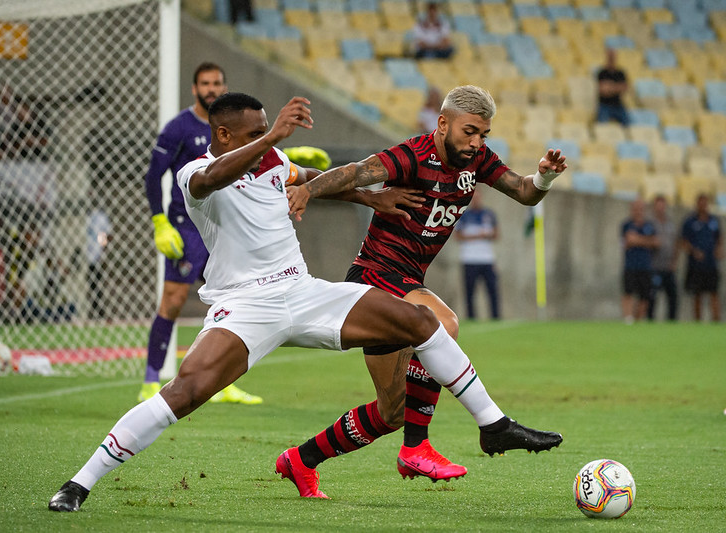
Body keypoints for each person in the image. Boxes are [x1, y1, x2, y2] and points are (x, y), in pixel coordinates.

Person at [48, 92, 562, 512]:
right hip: (246, 307)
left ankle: (493, 425)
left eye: (266, 129)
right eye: (254, 132)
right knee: (183, 392)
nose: (266, 140)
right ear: (224, 135)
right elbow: (215, 179)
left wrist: (368, 198)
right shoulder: (195, 173)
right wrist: (274, 138)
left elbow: (306, 178)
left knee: (422, 322)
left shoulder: (272, 160)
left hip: (304, 290)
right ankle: (79, 482)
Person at [282, 85, 566, 497]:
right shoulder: (413, 155)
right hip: (373, 277)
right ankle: (421, 446)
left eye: (483, 134)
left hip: (406, 283)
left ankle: (301, 460)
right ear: (443, 123)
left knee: (390, 412)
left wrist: (545, 176)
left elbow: (524, 192)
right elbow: (358, 171)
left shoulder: (477, 161)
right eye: (469, 132)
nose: (476, 142)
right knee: (440, 324)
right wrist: (308, 190)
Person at [139, 62, 262, 405]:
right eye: (205, 83)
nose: (211, 89)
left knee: (231, 302)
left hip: (223, 225)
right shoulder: (179, 128)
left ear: (225, 87)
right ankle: (151, 380)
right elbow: (153, 176)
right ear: (194, 89)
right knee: (174, 301)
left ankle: (224, 383)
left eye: (217, 83)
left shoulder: (232, 128)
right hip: (186, 227)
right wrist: (159, 222)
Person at [454, 189, 500, 320]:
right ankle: (471, 317)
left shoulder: (489, 214)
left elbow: (496, 235)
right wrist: (477, 236)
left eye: (478, 198)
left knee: (492, 291)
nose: (476, 201)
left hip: (487, 259)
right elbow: (458, 236)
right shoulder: (464, 215)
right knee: (469, 292)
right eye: (473, 198)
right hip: (469, 259)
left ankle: (496, 317)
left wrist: (487, 235)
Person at [680, 193, 722, 322]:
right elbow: (683, 241)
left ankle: (716, 320)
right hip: (696, 265)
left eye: (705, 203)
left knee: (714, 293)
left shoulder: (714, 221)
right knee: (697, 294)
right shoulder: (690, 222)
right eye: (701, 202)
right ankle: (698, 321)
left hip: (711, 264)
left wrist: (719, 250)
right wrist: (694, 251)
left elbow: (719, 239)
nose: (703, 205)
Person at [621, 198, 658, 324]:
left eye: (640, 208)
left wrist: (637, 240)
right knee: (628, 292)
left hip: (646, 265)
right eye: (636, 208)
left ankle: (639, 319)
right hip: (630, 264)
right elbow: (628, 241)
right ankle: (628, 318)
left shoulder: (649, 225)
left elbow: (656, 242)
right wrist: (646, 241)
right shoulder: (626, 224)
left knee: (645, 295)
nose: (638, 211)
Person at [647, 194, 678, 321]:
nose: (660, 208)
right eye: (658, 206)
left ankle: (671, 322)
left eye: (662, 205)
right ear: (654, 207)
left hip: (668, 267)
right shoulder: (649, 224)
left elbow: (676, 244)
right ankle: (650, 321)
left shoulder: (670, 224)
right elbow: (647, 241)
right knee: (652, 297)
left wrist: (674, 261)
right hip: (655, 266)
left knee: (673, 297)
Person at [596, 48, 629, 126]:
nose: (611, 59)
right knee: (602, 124)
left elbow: (625, 88)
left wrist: (610, 87)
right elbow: (603, 90)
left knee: (628, 123)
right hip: (604, 105)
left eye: (613, 57)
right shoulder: (602, 73)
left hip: (618, 104)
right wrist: (617, 87)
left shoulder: (620, 73)